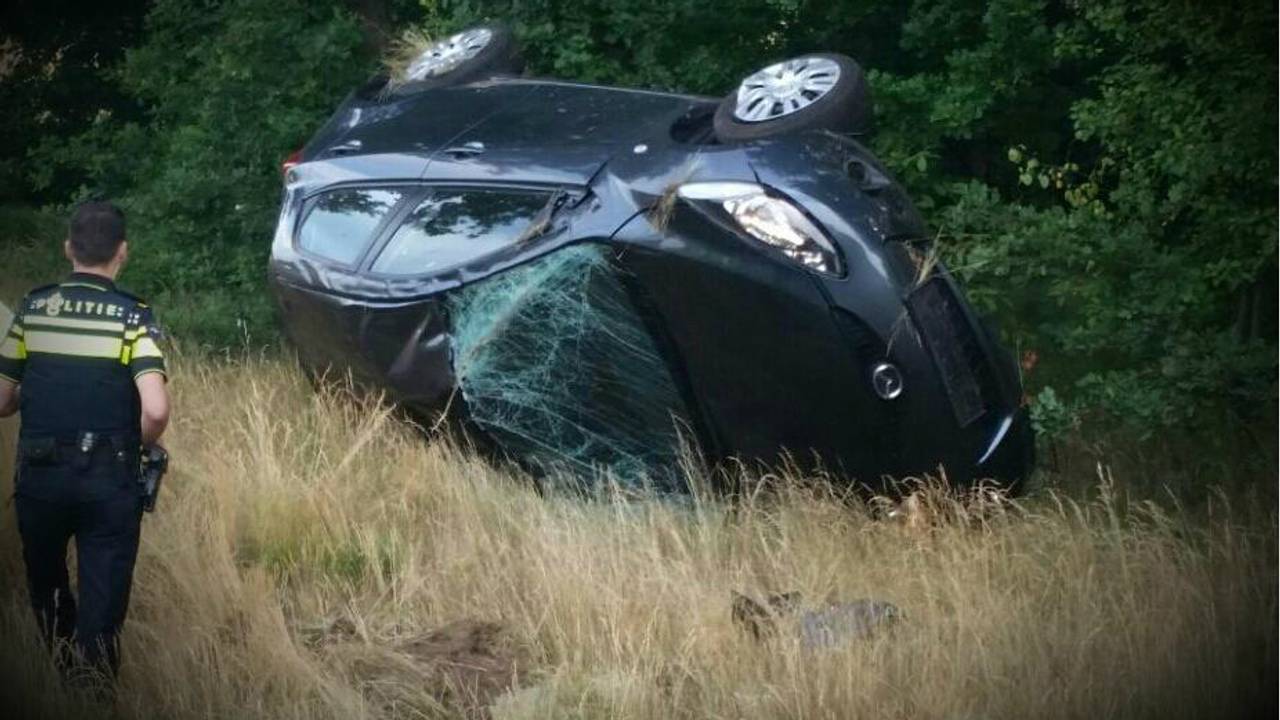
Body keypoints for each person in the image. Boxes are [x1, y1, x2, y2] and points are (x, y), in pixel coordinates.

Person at [0, 200, 170, 691]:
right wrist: (129, 443)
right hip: (109, 477)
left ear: (67, 248)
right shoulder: (132, 317)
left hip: (40, 475)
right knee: (105, 588)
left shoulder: (33, 309)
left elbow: (3, 400)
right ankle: (93, 685)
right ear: (123, 253)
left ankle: (57, 668)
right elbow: (155, 410)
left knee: (46, 582)